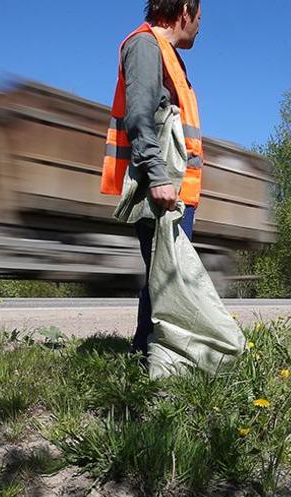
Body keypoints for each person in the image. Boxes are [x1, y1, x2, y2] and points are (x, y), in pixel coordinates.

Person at [100, 0, 204, 355]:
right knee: (167, 279)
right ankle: (157, 360)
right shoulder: (145, 45)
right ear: (185, 11)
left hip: (177, 188)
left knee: (164, 278)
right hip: (162, 187)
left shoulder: (167, 53)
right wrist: (158, 177)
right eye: (199, 18)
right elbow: (140, 117)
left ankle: (146, 353)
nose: (199, 27)